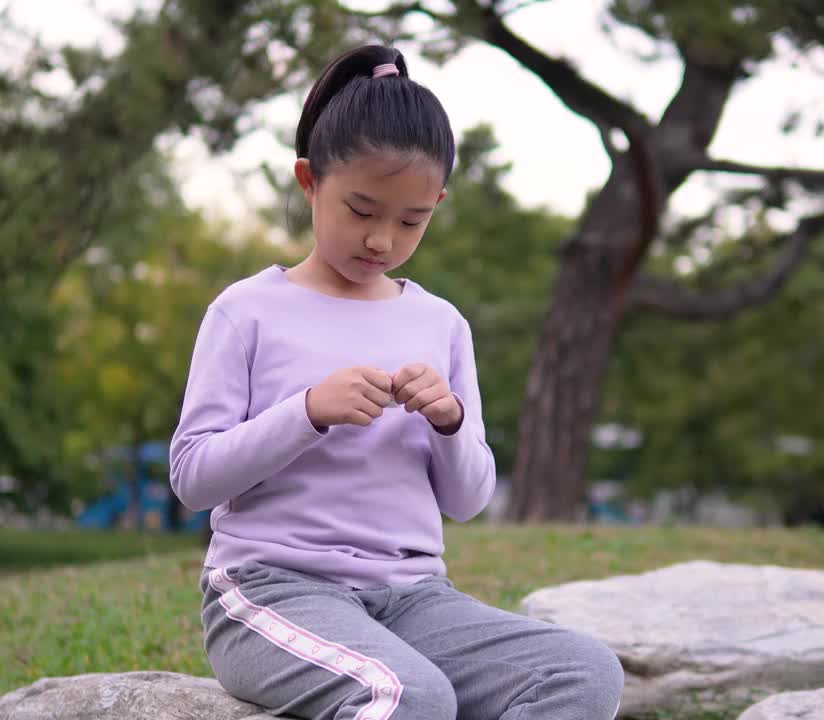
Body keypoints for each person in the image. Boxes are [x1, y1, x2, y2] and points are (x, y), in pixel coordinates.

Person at [169, 44, 624, 720]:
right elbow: (193, 480)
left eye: (412, 221)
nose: (382, 240)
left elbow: (468, 500)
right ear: (308, 182)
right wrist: (308, 412)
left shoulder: (439, 324)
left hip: (415, 599)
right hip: (271, 591)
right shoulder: (248, 312)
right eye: (361, 209)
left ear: (436, 204)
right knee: (408, 697)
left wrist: (450, 423)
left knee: (583, 672)